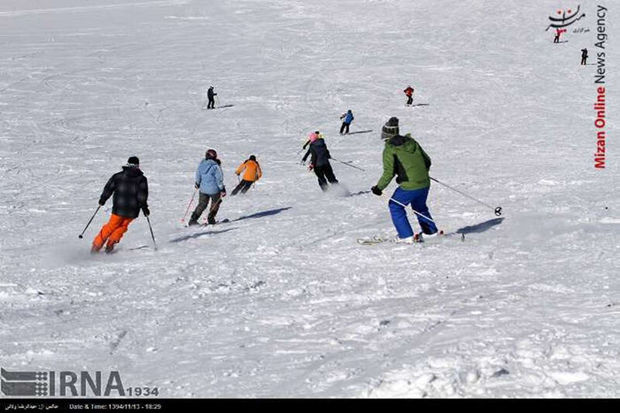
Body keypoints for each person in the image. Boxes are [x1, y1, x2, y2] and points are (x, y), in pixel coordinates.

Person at [371, 117, 438, 244]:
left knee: (395, 205)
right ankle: (430, 232)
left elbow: (388, 173)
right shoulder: (412, 142)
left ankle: (405, 236)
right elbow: (427, 161)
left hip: (410, 185)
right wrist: (421, 173)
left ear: (386, 134)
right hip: (424, 182)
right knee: (419, 206)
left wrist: (378, 188)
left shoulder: (390, 149)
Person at [91, 156, 149, 253]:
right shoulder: (142, 179)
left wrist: (103, 199)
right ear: (138, 166)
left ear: (127, 164)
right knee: (122, 226)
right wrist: (144, 208)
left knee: (111, 226)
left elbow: (108, 188)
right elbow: (142, 195)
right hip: (133, 210)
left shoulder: (118, 176)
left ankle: (96, 245)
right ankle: (111, 244)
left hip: (119, 208)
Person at [188, 149, 226, 226]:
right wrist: (222, 189)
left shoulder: (201, 164)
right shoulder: (216, 166)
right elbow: (219, 179)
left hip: (203, 189)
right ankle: (211, 218)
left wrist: (197, 183)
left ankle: (193, 219)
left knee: (202, 204)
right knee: (215, 203)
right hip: (214, 190)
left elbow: (198, 175)